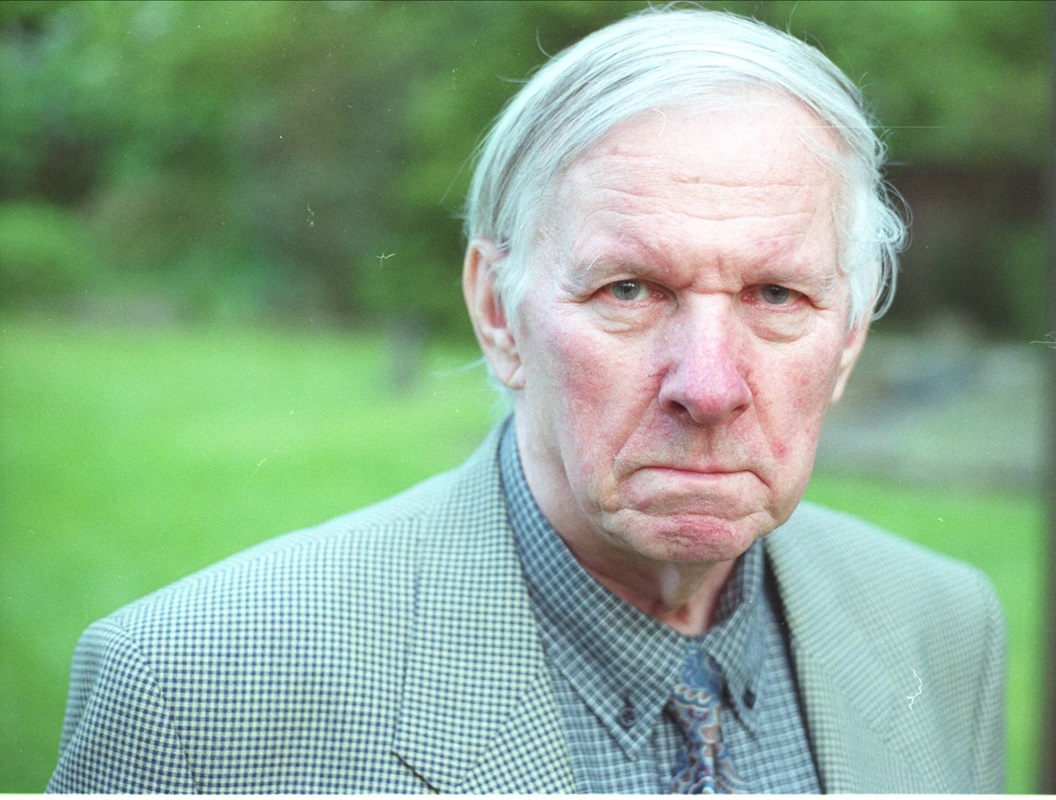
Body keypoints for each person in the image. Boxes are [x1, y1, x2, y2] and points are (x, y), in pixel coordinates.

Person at [47, 7, 1004, 793]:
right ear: (498, 315)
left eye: (778, 296)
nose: (710, 386)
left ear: (848, 339)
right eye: (630, 289)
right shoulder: (196, 691)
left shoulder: (944, 626)